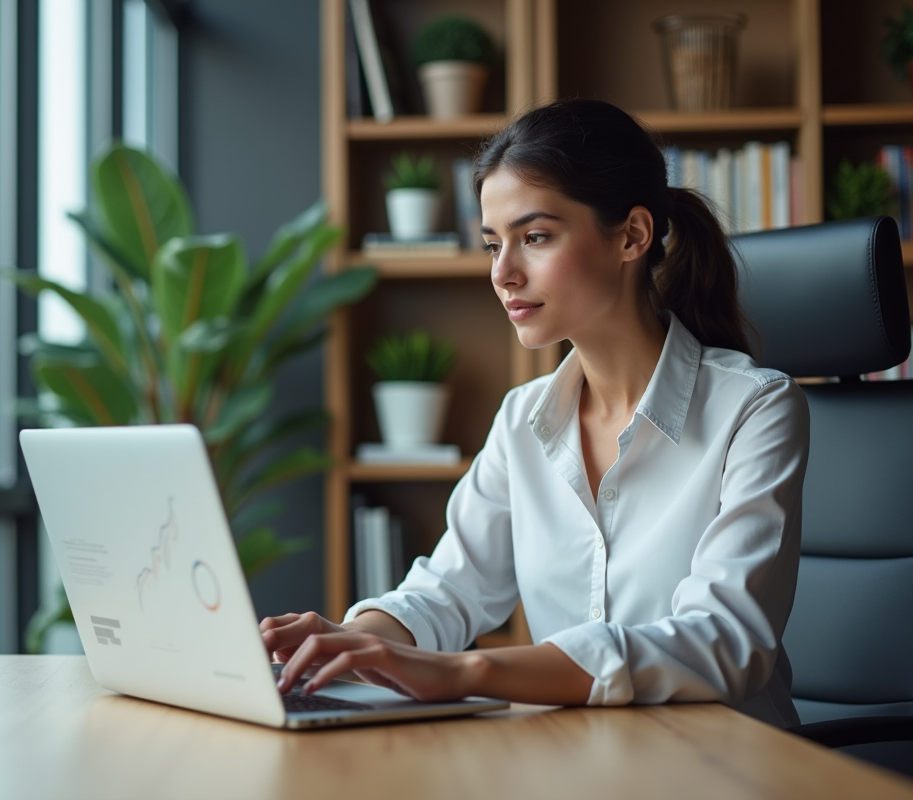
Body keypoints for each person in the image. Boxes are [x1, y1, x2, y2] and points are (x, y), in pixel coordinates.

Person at [260, 98, 809, 727]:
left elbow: (723, 644)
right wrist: (352, 637)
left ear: (631, 235)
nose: (503, 273)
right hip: (577, 760)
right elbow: (450, 588)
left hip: (727, 767)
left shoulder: (755, 407)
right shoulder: (523, 419)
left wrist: (474, 672)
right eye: (494, 244)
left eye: (535, 237)